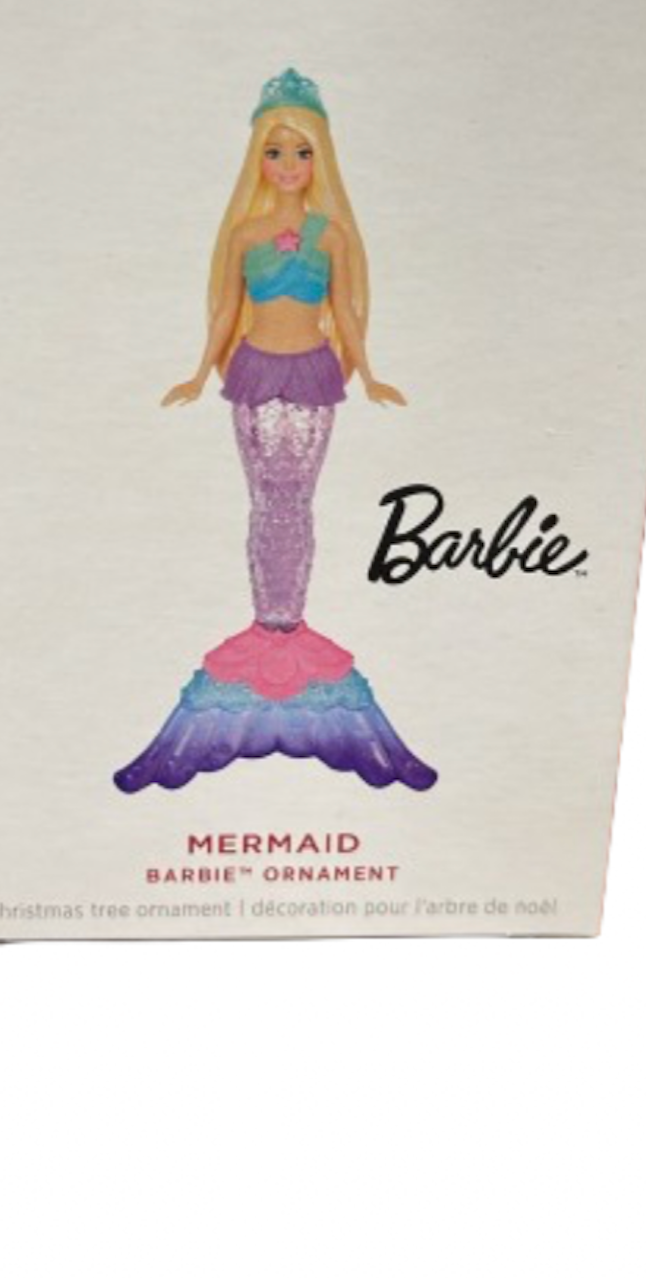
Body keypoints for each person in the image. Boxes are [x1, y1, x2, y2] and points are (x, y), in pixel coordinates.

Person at [113, 68, 437, 793]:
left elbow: (346, 312)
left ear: (320, 159)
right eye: (275, 152)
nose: (289, 165)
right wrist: (199, 371)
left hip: (315, 373)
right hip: (255, 372)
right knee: (265, 499)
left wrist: (368, 371)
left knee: (299, 499)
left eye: (302, 152)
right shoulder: (246, 234)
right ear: (257, 159)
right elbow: (225, 313)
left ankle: (290, 622)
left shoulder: (332, 236)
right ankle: (268, 623)